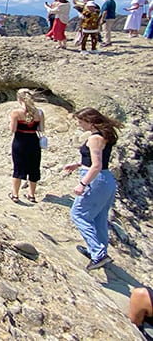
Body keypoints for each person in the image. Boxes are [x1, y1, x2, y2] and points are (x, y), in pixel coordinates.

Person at [63, 107, 122, 271]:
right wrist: (78, 164)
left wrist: (82, 184)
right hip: (106, 180)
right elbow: (95, 161)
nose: (79, 124)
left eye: (81, 121)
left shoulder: (94, 139)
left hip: (96, 180)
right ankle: (96, 250)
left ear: (90, 122)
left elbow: (96, 165)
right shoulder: (104, 135)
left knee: (78, 214)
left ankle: (98, 253)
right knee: (99, 218)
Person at [8, 89, 44, 203]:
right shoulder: (39, 112)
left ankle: (15, 194)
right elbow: (41, 129)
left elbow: (12, 129)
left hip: (20, 141)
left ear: (19, 99)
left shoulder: (16, 113)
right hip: (33, 141)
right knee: (34, 167)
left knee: (18, 167)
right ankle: (31, 195)